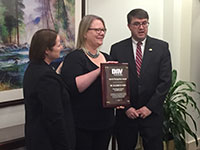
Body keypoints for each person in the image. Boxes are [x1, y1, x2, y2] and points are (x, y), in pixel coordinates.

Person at [110, 8, 172, 150]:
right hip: (126, 114)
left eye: (144, 23)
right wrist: (126, 107)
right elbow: (114, 83)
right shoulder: (117, 49)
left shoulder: (161, 47)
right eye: (136, 24)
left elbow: (165, 81)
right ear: (129, 26)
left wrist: (149, 107)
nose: (141, 27)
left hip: (151, 113)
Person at [61, 15, 115, 150]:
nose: (101, 33)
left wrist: (118, 99)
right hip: (83, 125)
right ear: (85, 33)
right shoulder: (74, 58)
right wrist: (99, 71)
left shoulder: (107, 57)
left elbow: (112, 87)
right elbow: (74, 87)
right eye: (97, 30)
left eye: (103, 30)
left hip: (105, 123)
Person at [23, 29, 75, 150]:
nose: (61, 47)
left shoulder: (34, 69)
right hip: (49, 142)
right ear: (46, 50)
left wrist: (55, 75)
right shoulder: (46, 77)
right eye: (58, 45)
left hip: (37, 138)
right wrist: (64, 145)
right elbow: (54, 117)